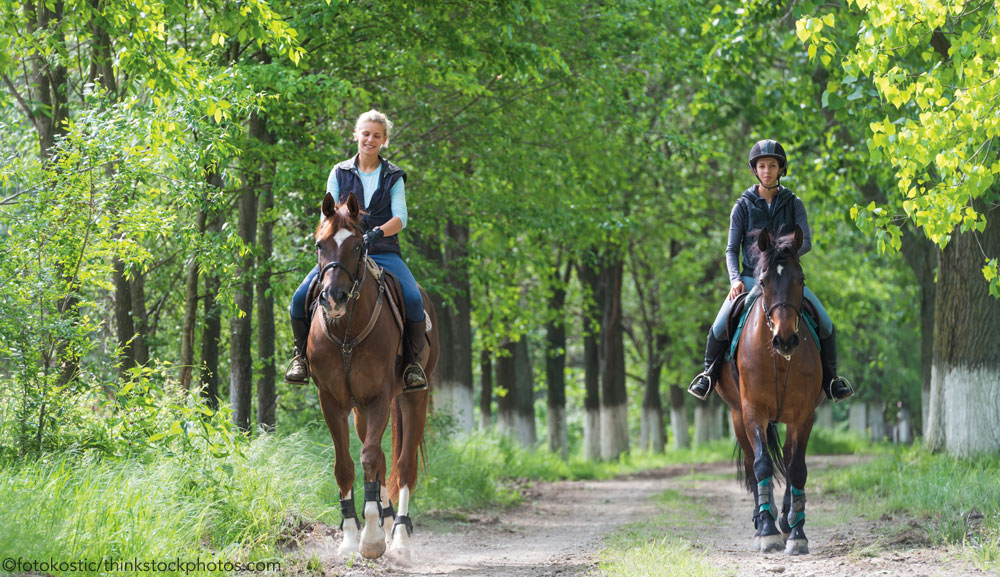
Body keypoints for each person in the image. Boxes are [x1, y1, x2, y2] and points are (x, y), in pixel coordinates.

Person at [687, 139, 854, 402]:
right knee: (719, 327)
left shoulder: (793, 203)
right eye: (762, 166)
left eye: (772, 165)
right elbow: (731, 249)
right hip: (751, 278)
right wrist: (734, 281)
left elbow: (806, 242)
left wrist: (782, 258)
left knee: (826, 323)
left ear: (780, 169)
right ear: (755, 170)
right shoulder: (742, 206)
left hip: (786, 280)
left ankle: (832, 379)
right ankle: (708, 374)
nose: (767, 170)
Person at [285, 109, 428, 392]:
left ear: (385, 140)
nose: (370, 140)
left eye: (376, 135)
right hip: (342, 254)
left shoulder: (394, 176)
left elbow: (401, 217)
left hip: (383, 250)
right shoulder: (339, 172)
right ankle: (300, 358)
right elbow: (328, 214)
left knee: (413, 298)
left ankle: (412, 364)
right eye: (365, 134)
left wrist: (376, 233)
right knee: (298, 297)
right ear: (356, 136)